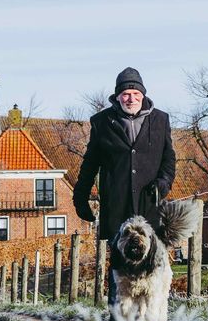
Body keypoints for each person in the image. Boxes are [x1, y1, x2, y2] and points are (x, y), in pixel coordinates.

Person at [73, 67, 176, 306]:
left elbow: (169, 160)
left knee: (152, 267)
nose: (131, 98)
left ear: (143, 94)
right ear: (118, 96)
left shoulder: (160, 120)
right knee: (119, 270)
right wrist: (80, 198)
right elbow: (90, 164)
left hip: (149, 206)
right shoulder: (102, 122)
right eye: (126, 94)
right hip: (117, 208)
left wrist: (163, 183)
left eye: (135, 93)